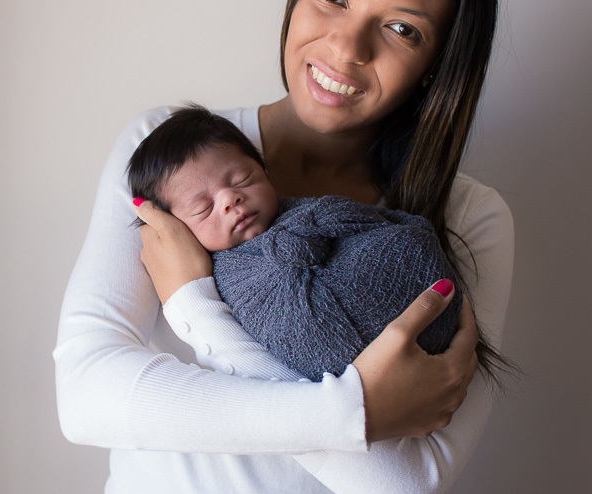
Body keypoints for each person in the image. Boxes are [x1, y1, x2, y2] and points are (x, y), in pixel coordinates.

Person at [54, 0, 514, 494]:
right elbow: (86, 396)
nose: (346, 49)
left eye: (401, 29)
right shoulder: (170, 154)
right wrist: (354, 414)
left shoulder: (470, 220)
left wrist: (195, 307)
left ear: (440, 61)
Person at [127, 103, 465, 382]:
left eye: (243, 179)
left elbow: (379, 226)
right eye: (203, 207)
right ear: (172, 228)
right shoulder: (224, 276)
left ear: (266, 172)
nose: (231, 198)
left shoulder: (308, 211)